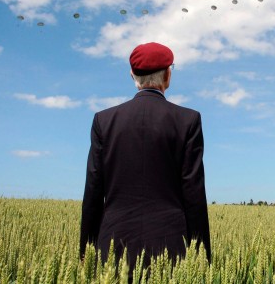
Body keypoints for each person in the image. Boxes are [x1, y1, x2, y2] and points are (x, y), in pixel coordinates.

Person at [80, 42, 211, 276]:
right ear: (168, 75)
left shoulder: (104, 121)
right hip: (171, 253)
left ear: (132, 75)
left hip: (112, 252)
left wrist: (84, 254)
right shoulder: (188, 121)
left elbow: (93, 191)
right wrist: (204, 258)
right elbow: (194, 196)